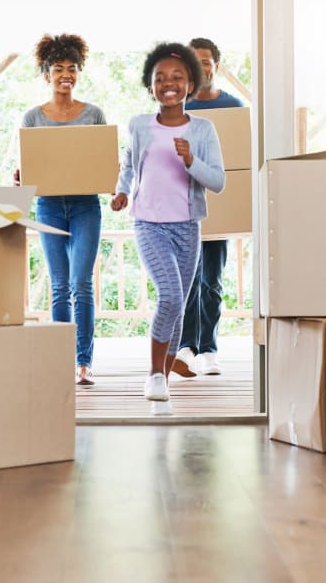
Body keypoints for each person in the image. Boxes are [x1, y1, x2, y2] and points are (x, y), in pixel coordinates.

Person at [111, 42, 225, 416]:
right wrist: (122, 192)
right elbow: (128, 165)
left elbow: (218, 181)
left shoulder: (204, 130)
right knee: (171, 297)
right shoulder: (139, 125)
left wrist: (191, 160)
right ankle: (154, 374)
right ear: (150, 87)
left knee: (179, 304)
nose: (168, 84)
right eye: (160, 78)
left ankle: (168, 364)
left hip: (187, 226)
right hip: (148, 223)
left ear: (191, 83)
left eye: (177, 77)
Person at [18, 33, 106, 387]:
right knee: (58, 285)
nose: (65, 74)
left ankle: (84, 362)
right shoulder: (32, 117)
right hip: (50, 206)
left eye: (72, 68)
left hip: (86, 205)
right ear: (46, 74)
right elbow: (31, 168)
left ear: (79, 73)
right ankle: (61, 361)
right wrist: (23, 175)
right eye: (58, 68)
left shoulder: (94, 114)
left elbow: (102, 161)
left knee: (80, 284)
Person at [172, 37, 245, 378]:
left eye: (206, 62)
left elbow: (242, 158)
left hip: (221, 203)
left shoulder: (233, 106)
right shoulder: (178, 107)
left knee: (212, 280)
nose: (201, 68)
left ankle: (209, 348)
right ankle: (185, 346)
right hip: (185, 204)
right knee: (187, 279)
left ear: (216, 65)